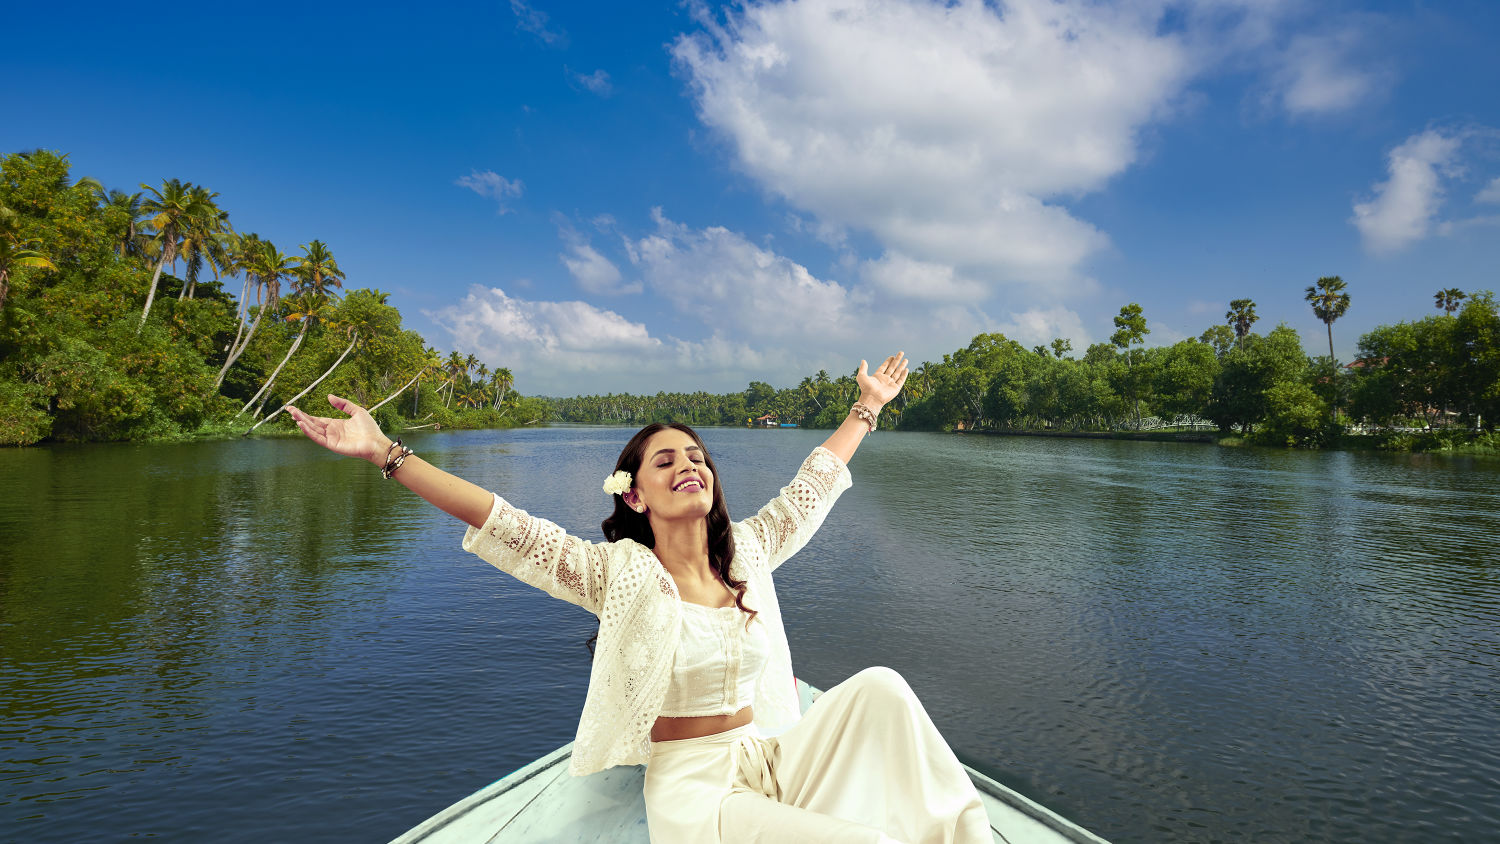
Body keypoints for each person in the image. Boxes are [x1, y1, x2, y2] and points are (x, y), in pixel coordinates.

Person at [286, 352, 989, 844]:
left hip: (765, 754)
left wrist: (868, 407)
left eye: (697, 458)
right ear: (635, 494)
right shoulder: (618, 573)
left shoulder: (745, 551)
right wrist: (388, 453)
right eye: (666, 460)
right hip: (698, 791)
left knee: (882, 687)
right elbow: (506, 524)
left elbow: (814, 484)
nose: (689, 465)